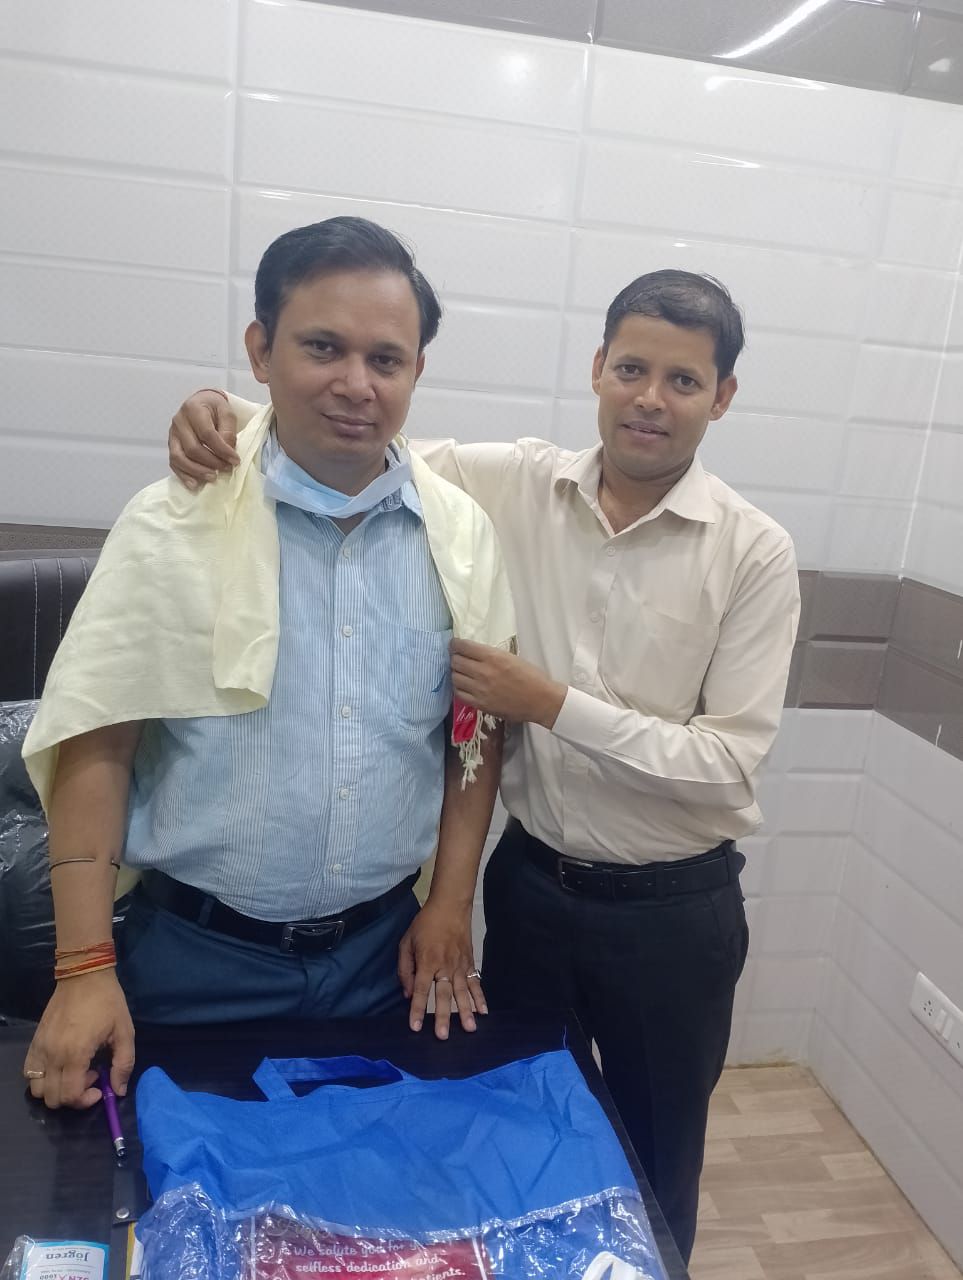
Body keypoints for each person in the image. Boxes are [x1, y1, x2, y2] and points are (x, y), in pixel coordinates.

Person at [165, 269, 800, 1263]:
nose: (649, 398)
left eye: (683, 381)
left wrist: (549, 703)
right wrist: (222, 411)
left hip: (672, 916)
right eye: (632, 368)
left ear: (720, 397)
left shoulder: (754, 552)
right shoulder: (516, 482)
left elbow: (727, 763)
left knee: (654, 1158)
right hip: (531, 891)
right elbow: (359, 430)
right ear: (597, 368)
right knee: (515, 1138)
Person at [20, 217, 515, 1113]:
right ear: (260, 350)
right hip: (193, 964)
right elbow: (99, 742)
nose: (356, 384)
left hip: (383, 962)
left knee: (370, 1193)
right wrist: (83, 969)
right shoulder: (174, 521)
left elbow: (471, 740)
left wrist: (449, 906)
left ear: (415, 371)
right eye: (322, 347)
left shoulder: (460, 536)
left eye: (386, 359)